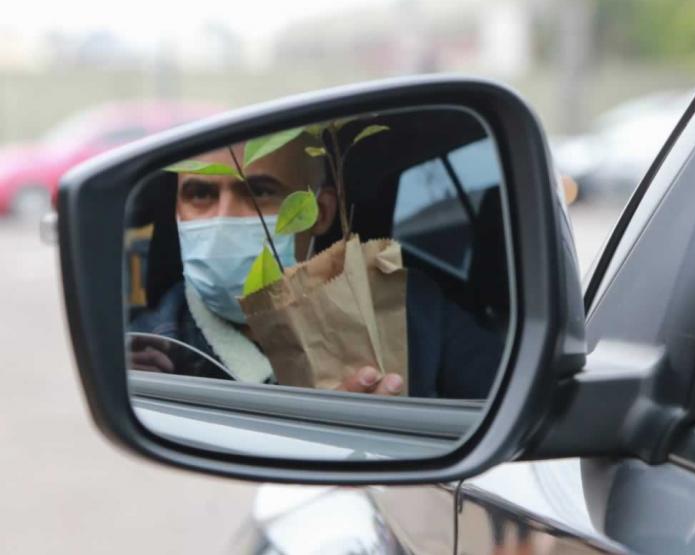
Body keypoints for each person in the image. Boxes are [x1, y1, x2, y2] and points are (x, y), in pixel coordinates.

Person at [129, 132, 504, 398]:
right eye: (200, 194)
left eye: (259, 192)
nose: (224, 219)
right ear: (177, 211)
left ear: (319, 212)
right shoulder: (150, 350)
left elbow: (511, 397)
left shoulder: (410, 310)